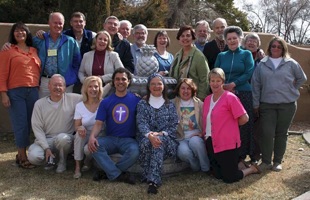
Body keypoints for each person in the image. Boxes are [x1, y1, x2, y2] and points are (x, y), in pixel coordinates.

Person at [251, 37, 307, 171]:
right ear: (269, 48)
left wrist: (293, 88)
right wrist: (255, 104)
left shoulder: (291, 63)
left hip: (287, 105)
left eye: (279, 46)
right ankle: (266, 161)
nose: (276, 48)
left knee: (282, 133)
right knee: (267, 133)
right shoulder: (262, 64)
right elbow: (256, 84)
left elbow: (302, 78)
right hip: (267, 104)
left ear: (283, 49)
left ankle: (277, 161)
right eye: (273, 46)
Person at [203, 68, 260, 183]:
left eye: (218, 81)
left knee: (229, 178)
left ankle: (251, 169)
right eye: (212, 80)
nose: (215, 84)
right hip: (211, 141)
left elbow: (245, 118)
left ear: (223, 81)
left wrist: (231, 126)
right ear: (209, 82)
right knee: (217, 174)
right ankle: (238, 163)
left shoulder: (230, 97)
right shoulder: (207, 99)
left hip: (226, 142)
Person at [88, 68, 140, 184]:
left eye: (123, 79)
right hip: (110, 138)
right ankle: (118, 175)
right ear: (113, 82)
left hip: (128, 140)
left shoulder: (136, 100)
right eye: (117, 79)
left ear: (128, 81)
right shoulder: (106, 102)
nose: (120, 82)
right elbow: (98, 123)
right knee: (94, 146)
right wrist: (92, 137)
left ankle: (108, 173)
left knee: (135, 151)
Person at [0, 22, 41, 169]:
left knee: (31, 123)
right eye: (17, 31)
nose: (20, 33)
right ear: (13, 34)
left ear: (27, 33)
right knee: (20, 124)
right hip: (16, 92)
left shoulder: (34, 50)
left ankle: (21, 154)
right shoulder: (8, 50)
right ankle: (22, 156)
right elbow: (2, 74)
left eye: (23, 31)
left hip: (33, 91)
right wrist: (4, 94)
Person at [214, 26, 255, 163]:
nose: (232, 41)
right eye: (229, 39)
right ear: (225, 41)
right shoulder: (221, 56)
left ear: (240, 39)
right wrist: (223, 86)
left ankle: (241, 155)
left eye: (234, 38)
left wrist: (234, 84)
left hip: (242, 92)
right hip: (224, 94)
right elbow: (216, 72)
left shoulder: (246, 54)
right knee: (227, 124)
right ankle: (228, 152)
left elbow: (249, 72)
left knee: (243, 124)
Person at [28, 74, 82, 173]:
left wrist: (109, 85)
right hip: (47, 139)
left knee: (62, 139)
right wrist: (46, 148)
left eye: (60, 85)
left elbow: (93, 95)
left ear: (65, 87)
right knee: (33, 157)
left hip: (65, 139)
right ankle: (51, 158)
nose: (57, 88)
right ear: (48, 86)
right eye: (54, 85)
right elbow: (37, 129)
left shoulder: (74, 99)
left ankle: (62, 161)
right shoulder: (39, 104)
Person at [136, 73, 178, 194]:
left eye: (159, 84)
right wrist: (150, 135)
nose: (156, 86)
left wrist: (161, 133)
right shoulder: (142, 104)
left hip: (166, 139)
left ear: (163, 86)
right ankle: (150, 177)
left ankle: (152, 182)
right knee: (149, 143)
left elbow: (174, 125)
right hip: (147, 137)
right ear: (149, 86)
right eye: (153, 84)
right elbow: (141, 123)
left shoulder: (169, 105)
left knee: (158, 143)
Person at [33, 12, 81, 97]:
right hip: (45, 81)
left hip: (65, 81)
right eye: (55, 23)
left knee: (65, 108)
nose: (58, 25)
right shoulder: (40, 39)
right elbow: (23, 46)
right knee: (44, 107)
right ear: (49, 23)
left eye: (60, 23)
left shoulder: (70, 41)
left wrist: (72, 77)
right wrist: (9, 45)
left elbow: (77, 62)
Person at [173, 78, 210, 172]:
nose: (185, 91)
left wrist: (202, 133)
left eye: (188, 88)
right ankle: (196, 167)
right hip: (181, 137)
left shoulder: (200, 104)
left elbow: (208, 120)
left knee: (196, 143)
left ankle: (206, 168)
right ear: (178, 90)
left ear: (193, 90)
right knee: (183, 152)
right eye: (183, 88)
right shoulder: (173, 103)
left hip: (196, 135)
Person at [73, 76, 103, 179]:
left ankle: (87, 161)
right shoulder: (79, 106)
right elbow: (76, 126)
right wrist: (80, 128)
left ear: (100, 89)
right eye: (90, 86)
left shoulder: (104, 103)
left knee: (87, 149)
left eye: (96, 86)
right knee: (78, 135)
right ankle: (77, 166)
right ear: (85, 88)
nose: (93, 89)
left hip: (99, 134)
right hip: (85, 133)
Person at [170, 25, 210, 101]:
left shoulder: (199, 56)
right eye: (182, 36)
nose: (185, 38)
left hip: (194, 98)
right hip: (179, 98)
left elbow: (205, 79)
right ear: (179, 39)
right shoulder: (177, 56)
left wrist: (200, 99)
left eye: (188, 35)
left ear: (193, 38)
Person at [242, 32, 265, 163]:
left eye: (254, 41)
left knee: (257, 129)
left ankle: (256, 156)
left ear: (258, 45)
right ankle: (242, 153)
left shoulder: (262, 59)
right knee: (244, 127)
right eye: (249, 41)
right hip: (243, 96)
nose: (251, 43)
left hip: (258, 97)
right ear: (244, 44)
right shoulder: (241, 56)